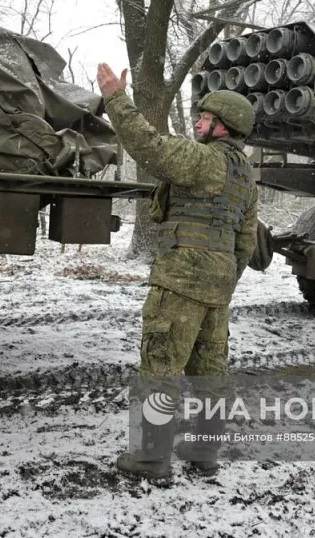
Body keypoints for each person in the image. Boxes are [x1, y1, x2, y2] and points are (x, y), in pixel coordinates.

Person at [95, 63, 259, 480]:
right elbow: (246, 240)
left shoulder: (203, 160)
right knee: (209, 370)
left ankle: (151, 459)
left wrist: (116, 98)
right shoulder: (245, 177)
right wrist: (222, 278)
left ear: (224, 127)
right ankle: (203, 453)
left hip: (181, 279)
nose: (199, 123)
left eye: (206, 118)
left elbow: (146, 145)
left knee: (162, 365)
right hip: (218, 284)